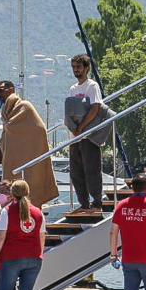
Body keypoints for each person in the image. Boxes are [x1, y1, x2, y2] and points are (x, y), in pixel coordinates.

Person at [0, 81, 58, 207]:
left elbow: (39, 130)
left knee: (30, 188)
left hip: (30, 157)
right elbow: (7, 134)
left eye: (1, 90)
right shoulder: (5, 111)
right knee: (11, 188)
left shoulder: (25, 107)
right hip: (12, 159)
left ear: (11, 89)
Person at [65, 53, 105, 212]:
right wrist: (73, 128)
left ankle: (97, 203)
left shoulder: (92, 86)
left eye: (78, 67)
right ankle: (84, 203)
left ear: (86, 68)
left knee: (91, 170)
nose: (76, 70)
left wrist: (81, 127)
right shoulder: (72, 88)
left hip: (88, 135)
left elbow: (95, 108)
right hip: (75, 137)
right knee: (76, 172)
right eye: (73, 67)